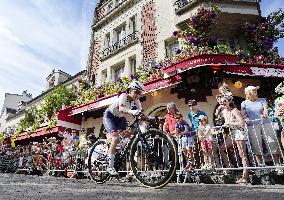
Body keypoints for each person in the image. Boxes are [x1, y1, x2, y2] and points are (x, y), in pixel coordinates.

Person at [103, 80, 144, 175]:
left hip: (120, 118)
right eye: (136, 92)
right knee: (116, 138)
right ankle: (110, 166)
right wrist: (132, 111)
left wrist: (150, 117)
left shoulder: (137, 101)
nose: (138, 95)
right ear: (130, 90)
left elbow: (141, 113)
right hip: (110, 116)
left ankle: (116, 147)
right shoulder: (124, 96)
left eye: (140, 93)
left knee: (130, 133)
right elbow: (121, 108)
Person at [241, 86, 280, 166]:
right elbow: (243, 114)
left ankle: (277, 164)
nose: (256, 92)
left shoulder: (262, 100)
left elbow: (265, 109)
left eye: (256, 90)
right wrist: (246, 118)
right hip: (252, 125)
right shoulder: (244, 103)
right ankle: (261, 166)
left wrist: (265, 114)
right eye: (253, 91)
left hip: (266, 123)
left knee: (271, 142)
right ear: (249, 93)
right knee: (256, 145)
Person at [221, 95, 249, 183]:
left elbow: (241, 123)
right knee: (221, 148)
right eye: (221, 102)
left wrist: (230, 123)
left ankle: (245, 176)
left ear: (229, 101)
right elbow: (227, 124)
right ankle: (229, 166)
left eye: (224, 101)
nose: (223, 103)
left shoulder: (234, 110)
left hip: (239, 133)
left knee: (242, 154)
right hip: (232, 134)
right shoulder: (224, 112)